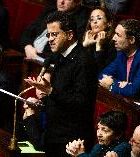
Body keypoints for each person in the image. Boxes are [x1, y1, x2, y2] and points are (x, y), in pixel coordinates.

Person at [24, 11, 98, 156]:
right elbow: (62, 97)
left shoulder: (84, 61)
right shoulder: (60, 56)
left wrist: (50, 91)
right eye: (48, 35)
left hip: (72, 141)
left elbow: (81, 101)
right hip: (55, 134)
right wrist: (41, 103)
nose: (50, 39)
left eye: (55, 34)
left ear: (69, 35)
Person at [20, 0, 89, 60]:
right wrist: (28, 47)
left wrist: (37, 56)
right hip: (28, 52)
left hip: (46, 62)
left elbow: (64, 52)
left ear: (78, 1)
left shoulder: (80, 22)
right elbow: (27, 32)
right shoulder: (50, 10)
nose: (61, 2)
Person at [99, 19, 140, 99]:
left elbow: (135, 91)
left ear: (131, 40)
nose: (113, 38)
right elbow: (102, 76)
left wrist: (111, 85)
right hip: (124, 99)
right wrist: (121, 84)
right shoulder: (121, 52)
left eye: (118, 35)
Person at [66, 110, 131, 157]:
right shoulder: (99, 146)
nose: (98, 134)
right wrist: (74, 151)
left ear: (119, 134)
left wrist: (80, 154)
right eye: (98, 128)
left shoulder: (123, 149)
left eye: (105, 130)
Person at [83, 7, 116, 72]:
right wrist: (84, 45)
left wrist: (99, 47)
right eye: (92, 19)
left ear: (108, 23)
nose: (94, 21)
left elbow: (100, 71)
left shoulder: (113, 44)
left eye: (99, 18)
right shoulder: (88, 40)